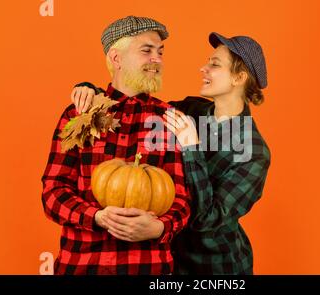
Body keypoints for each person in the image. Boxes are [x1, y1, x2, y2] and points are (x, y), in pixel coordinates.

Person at [72, 32, 271, 274]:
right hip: (167, 261)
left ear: (239, 77)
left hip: (215, 267)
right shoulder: (191, 110)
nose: (203, 68)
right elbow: (139, 106)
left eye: (215, 64)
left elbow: (205, 220)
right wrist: (91, 91)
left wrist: (191, 148)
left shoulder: (254, 152)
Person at [41, 16, 191, 275]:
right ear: (116, 58)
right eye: (146, 50)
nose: (157, 59)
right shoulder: (80, 115)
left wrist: (160, 228)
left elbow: (181, 199)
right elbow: (53, 191)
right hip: (81, 266)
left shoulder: (171, 119)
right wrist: (96, 217)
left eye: (160, 52)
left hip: (149, 268)